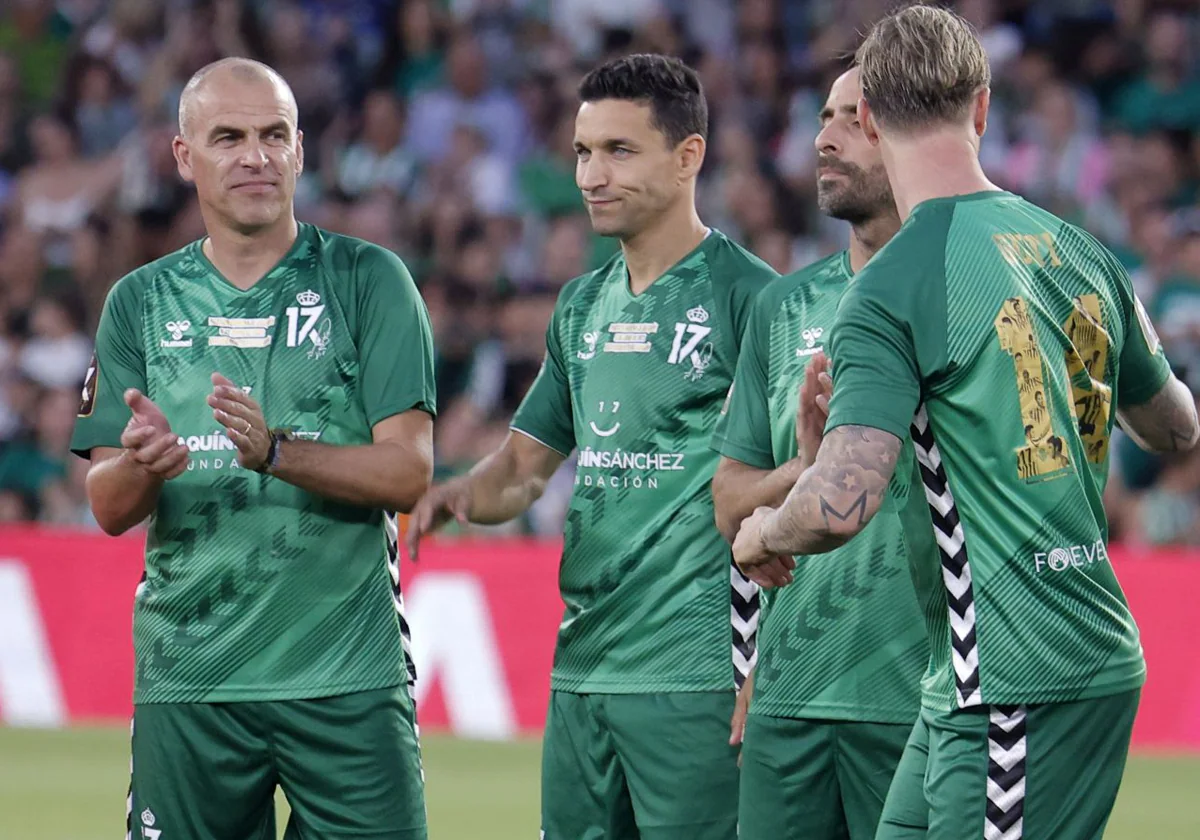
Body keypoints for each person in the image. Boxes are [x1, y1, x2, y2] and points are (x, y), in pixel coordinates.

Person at [731, 6, 1199, 840]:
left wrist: (763, 531)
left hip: (1021, 674)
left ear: (870, 118)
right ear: (981, 108)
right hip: (988, 669)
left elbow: (842, 503)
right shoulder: (1078, 249)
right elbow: (1175, 428)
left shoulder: (891, 285)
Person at [406, 53, 777, 839]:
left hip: (699, 675)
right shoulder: (582, 305)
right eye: (582, 151)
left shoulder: (753, 300)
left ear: (688, 157)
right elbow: (522, 470)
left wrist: (769, 661)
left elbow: (789, 492)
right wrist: (456, 493)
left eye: (618, 151)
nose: (590, 175)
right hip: (581, 674)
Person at [69, 58, 435, 840]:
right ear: (182, 155)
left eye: (274, 136)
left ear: (301, 150)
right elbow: (106, 505)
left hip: (348, 678)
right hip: (190, 681)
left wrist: (276, 452)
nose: (255, 156)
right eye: (228, 137)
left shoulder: (370, 280)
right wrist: (142, 464)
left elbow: (408, 472)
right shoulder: (138, 301)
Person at [710, 65, 929, 840]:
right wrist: (801, 472)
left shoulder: (959, 286)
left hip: (928, 703)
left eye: (853, 119)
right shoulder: (783, 306)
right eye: (824, 114)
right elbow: (728, 504)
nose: (823, 136)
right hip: (790, 701)